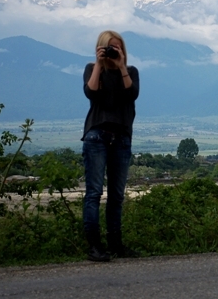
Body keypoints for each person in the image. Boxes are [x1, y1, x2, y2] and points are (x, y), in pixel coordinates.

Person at [81, 30, 139, 261]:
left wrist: (122, 66)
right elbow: (90, 91)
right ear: (101, 48)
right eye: (110, 47)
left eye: (119, 47)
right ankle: (94, 247)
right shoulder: (92, 69)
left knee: (116, 195)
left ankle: (116, 244)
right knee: (94, 193)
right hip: (97, 136)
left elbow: (132, 94)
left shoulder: (131, 72)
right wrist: (98, 63)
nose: (115, 50)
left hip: (122, 137)